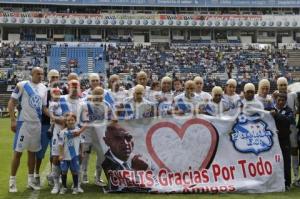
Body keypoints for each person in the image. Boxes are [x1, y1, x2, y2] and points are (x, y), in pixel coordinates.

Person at [8, 67, 48, 192]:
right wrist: (13, 120)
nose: (40, 75)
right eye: (38, 73)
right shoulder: (22, 85)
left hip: (37, 124)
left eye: (42, 73)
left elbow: (43, 107)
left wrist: (53, 117)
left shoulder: (44, 88)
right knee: (18, 152)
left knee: (32, 153)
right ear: (32, 74)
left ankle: (30, 181)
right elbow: (11, 102)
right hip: (24, 124)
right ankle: (12, 181)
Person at [102, 122, 149, 191]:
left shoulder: (138, 159)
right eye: (118, 138)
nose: (125, 143)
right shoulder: (107, 163)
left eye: (128, 138)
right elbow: (118, 187)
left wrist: (147, 169)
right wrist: (136, 170)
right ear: (107, 141)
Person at [80, 86, 111, 186]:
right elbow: (83, 120)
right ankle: (83, 175)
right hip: (87, 134)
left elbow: (108, 120)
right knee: (85, 156)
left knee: (101, 156)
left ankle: (98, 177)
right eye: (96, 95)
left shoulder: (107, 105)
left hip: (100, 135)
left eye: (101, 95)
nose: (99, 98)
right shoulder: (85, 104)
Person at [36, 69, 60, 187]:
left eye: (57, 77)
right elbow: (42, 107)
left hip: (57, 126)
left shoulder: (62, 90)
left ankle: (53, 174)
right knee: (40, 152)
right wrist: (52, 116)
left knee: (54, 153)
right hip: (45, 124)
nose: (55, 79)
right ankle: (36, 175)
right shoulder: (45, 90)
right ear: (49, 78)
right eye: (53, 77)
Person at [268, 93, 295, 191]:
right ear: (275, 100)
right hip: (272, 141)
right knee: (272, 161)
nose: (280, 102)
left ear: (285, 101)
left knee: (286, 161)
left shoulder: (289, 111)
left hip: (284, 140)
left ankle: (287, 183)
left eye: (283, 100)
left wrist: (277, 115)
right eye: (279, 100)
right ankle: (273, 182)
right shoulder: (269, 109)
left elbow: (288, 121)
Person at [276, 77, 299, 186]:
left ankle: (296, 176)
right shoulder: (275, 96)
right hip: (280, 129)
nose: (283, 87)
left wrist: (293, 114)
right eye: (281, 85)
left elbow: (298, 108)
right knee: (281, 152)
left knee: (294, 150)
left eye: (285, 84)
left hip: (291, 127)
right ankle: (281, 177)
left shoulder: (293, 95)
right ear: (277, 86)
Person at [58, 112, 82, 194]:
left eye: (72, 120)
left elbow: (81, 143)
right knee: (64, 171)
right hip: (65, 155)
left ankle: (75, 187)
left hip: (74, 155)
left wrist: (81, 153)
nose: (70, 121)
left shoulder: (79, 131)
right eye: (68, 120)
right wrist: (61, 154)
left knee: (75, 171)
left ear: (75, 121)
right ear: (66, 122)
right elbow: (60, 144)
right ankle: (64, 187)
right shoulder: (62, 132)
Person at [48, 87, 64, 194]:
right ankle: (56, 184)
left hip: (67, 130)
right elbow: (53, 117)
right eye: (55, 93)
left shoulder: (65, 102)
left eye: (59, 93)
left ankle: (64, 182)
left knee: (66, 157)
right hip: (57, 131)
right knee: (55, 157)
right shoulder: (51, 104)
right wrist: (61, 120)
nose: (57, 95)